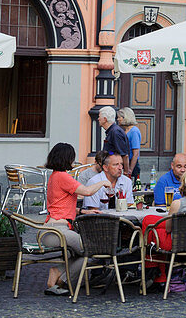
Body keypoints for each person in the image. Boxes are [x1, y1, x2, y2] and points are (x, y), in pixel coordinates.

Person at [40, 143, 113, 296]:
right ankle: (63, 279)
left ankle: (57, 272)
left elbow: (61, 204)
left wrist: (84, 211)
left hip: (52, 229)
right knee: (93, 251)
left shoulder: (55, 176)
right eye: (72, 158)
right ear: (66, 158)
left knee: (84, 252)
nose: (74, 161)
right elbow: (86, 191)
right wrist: (103, 182)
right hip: (58, 232)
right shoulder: (63, 176)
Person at [143, 165, 186, 289]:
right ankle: (157, 274)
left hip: (176, 243)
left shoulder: (177, 203)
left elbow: (168, 229)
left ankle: (152, 268)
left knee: (148, 223)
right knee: (152, 223)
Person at [97, 106, 130, 175]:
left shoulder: (115, 132)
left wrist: (126, 173)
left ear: (105, 119)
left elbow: (124, 155)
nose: (98, 119)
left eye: (99, 117)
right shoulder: (112, 131)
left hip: (116, 172)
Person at [118, 108, 142, 180]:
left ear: (125, 118)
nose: (118, 119)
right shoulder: (125, 130)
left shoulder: (134, 131)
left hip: (132, 163)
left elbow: (136, 153)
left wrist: (130, 169)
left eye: (119, 117)